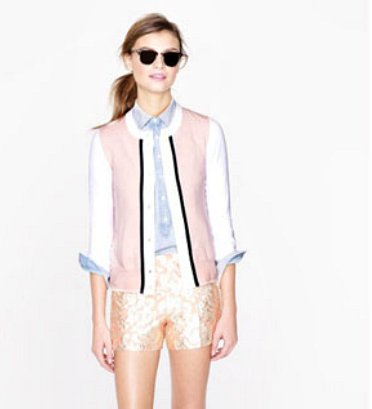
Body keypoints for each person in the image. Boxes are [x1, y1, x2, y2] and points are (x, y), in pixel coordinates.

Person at [78, 12, 247, 409]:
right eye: (148, 55)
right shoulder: (107, 141)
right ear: (129, 58)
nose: (159, 65)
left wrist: (229, 310)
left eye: (170, 57)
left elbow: (222, 229)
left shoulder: (207, 132)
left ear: (178, 63)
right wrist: (99, 321)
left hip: (194, 291)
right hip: (132, 295)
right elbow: (100, 237)